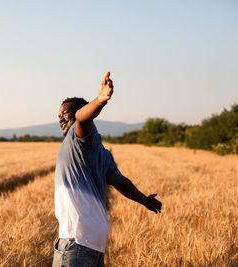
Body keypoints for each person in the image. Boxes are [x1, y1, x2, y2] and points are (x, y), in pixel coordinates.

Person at [52, 72, 162, 267]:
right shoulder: (101, 152)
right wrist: (145, 200)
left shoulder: (77, 137)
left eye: (65, 113)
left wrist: (100, 100)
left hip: (76, 239)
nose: (61, 118)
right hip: (94, 242)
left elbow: (82, 119)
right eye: (59, 114)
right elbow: (122, 183)